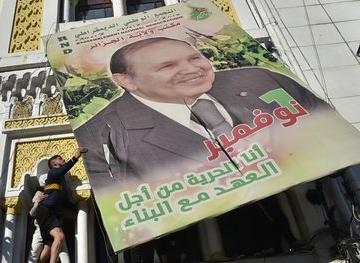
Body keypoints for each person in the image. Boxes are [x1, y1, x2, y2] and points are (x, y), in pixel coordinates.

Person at [75, 37, 328, 188]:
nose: (193, 69)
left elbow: (327, 126)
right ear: (127, 81)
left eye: (194, 58)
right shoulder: (100, 135)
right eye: (167, 66)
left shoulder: (259, 79)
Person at [33, 147, 88, 263]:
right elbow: (64, 169)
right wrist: (76, 156)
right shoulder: (53, 173)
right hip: (46, 210)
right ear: (55, 164)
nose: (63, 159)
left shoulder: (59, 180)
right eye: (60, 158)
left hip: (51, 212)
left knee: (48, 245)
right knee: (60, 236)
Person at [24, 173, 71, 263]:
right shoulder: (40, 193)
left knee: (54, 248)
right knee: (35, 252)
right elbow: (31, 213)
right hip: (40, 227)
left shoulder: (57, 193)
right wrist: (38, 202)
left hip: (53, 224)